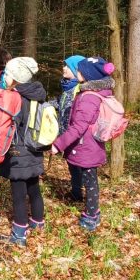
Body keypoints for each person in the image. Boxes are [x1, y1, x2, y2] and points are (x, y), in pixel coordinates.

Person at [50, 56, 116, 232]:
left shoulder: (88, 97)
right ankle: (92, 211)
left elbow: (78, 126)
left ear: (88, 75)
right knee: (89, 180)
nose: (76, 72)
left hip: (87, 147)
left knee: (90, 182)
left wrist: (58, 144)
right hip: (87, 145)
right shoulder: (90, 93)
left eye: (79, 70)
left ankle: (92, 216)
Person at [0, 57, 46, 247]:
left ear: (15, 78)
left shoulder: (16, 98)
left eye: (7, 74)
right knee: (34, 188)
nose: (4, 78)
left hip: (18, 153)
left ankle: (19, 234)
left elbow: (10, 126)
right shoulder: (36, 94)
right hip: (34, 149)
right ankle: (37, 222)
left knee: (18, 194)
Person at [57, 55, 85, 202]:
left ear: (76, 69)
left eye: (67, 66)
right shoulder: (67, 87)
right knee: (71, 164)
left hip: (75, 135)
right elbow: (60, 103)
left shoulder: (78, 90)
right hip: (66, 134)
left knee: (77, 165)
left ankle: (78, 193)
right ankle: (77, 191)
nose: (63, 68)